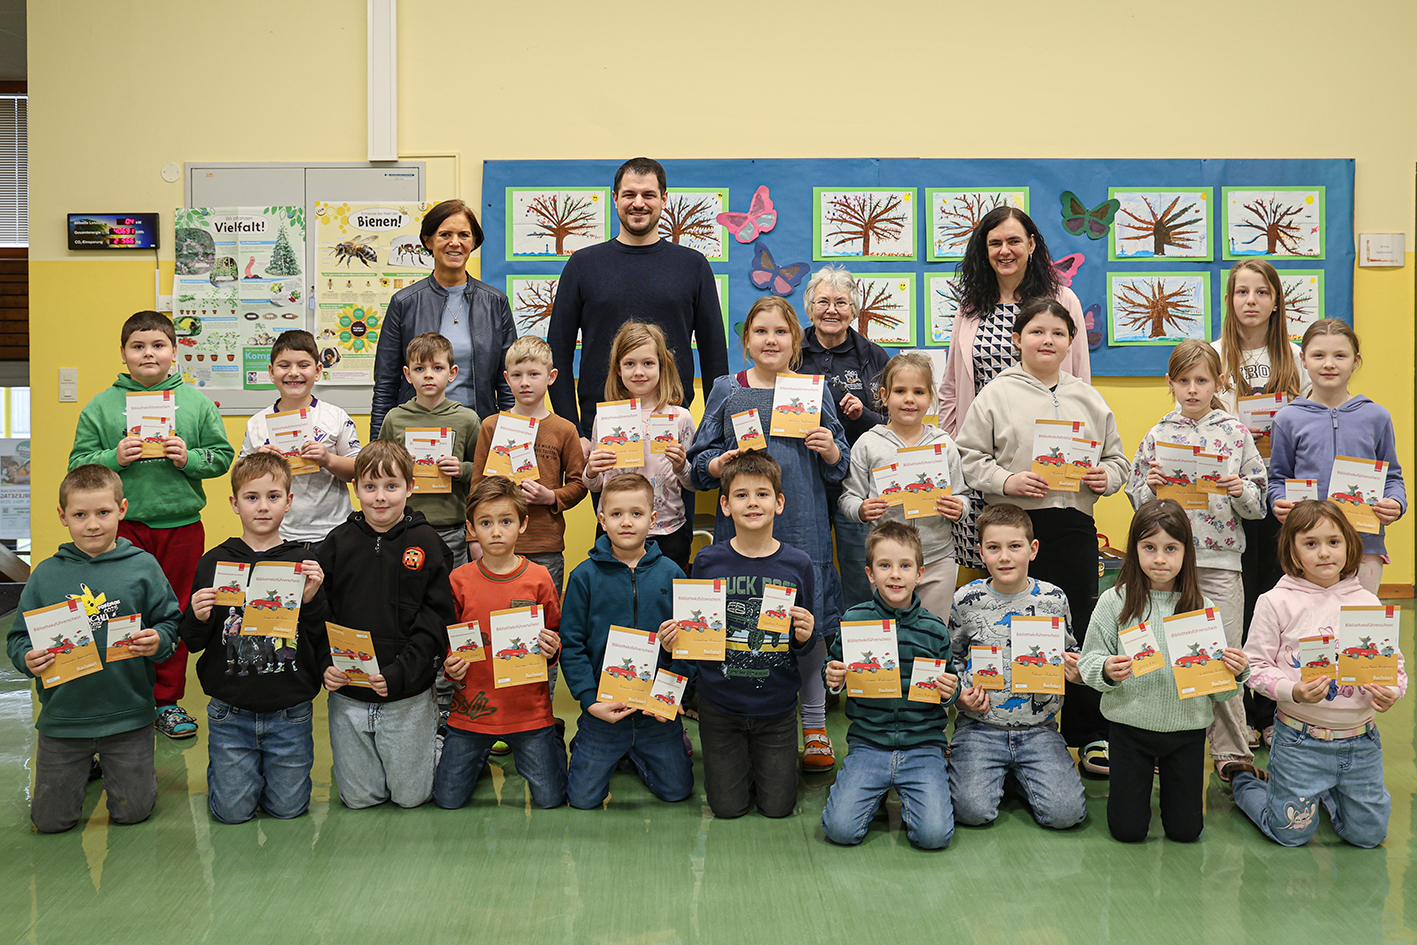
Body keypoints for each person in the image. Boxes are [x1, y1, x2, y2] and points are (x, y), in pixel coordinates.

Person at [956, 299, 1129, 775]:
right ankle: (1006, 724)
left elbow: (1118, 462)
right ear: (1017, 340)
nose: (1046, 340)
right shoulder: (995, 395)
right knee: (1008, 623)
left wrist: (1105, 478)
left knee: (1077, 627)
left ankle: (1087, 732)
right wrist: (1007, 481)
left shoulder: (1088, 398)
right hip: (1013, 525)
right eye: (1036, 331)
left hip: (1073, 525)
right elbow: (968, 457)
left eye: (1057, 332)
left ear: (1070, 342)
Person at [687, 296, 849, 771]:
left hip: (802, 525)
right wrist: (717, 463)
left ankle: (815, 724)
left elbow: (840, 466)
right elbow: (699, 464)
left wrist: (830, 451)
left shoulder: (813, 391)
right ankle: (739, 707)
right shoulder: (726, 389)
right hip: (742, 530)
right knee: (743, 616)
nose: (771, 340)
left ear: (795, 339)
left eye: (781, 332)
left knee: (806, 621)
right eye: (761, 332)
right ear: (747, 341)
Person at [68, 310, 234, 740]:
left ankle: (166, 701)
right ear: (123, 354)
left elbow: (221, 456)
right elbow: (76, 466)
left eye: (158, 345)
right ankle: (120, 698)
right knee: (115, 611)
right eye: (138, 346)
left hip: (180, 528)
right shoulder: (101, 406)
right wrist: (113, 457)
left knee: (173, 612)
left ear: (174, 352)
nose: (148, 353)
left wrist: (190, 458)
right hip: (120, 530)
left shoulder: (195, 403)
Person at [6, 465, 180, 833]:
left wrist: (158, 640)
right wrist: (27, 658)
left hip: (129, 715)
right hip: (64, 718)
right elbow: (18, 637)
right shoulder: (45, 574)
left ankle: (120, 774)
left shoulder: (143, 567)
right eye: (80, 515)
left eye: (103, 513)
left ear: (122, 509)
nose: (93, 525)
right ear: (62, 516)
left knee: (133, 813)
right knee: (51, 822)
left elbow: (170, 622)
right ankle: (85, 771)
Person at [1125, 340, 1266, 782]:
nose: (1191, 389)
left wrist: (1240, 489)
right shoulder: (1157, 434)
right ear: (1170, 384)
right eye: (1183, 381)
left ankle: (1231, 751)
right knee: (1163, 654)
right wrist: (1149, 486)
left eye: (1201, 380)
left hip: (1220, 561)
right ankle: (1154, 737)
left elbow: (1259, 505)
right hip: (1166, 566)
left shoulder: (1236, 434)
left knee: (1222, 657)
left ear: (1218, 382)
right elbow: (1137, 500)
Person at [1234, 500, 1406, 847]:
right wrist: (1292, 691)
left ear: (1349, 545)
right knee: (1290, 835)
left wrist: (1392, 691)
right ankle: (1246, 783)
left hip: (1361, 742)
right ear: (1294, 552)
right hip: (1300, 742)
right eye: (1311, 544)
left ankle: (1326, 794)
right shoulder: (1275, 601)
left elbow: (1394, 666)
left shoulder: (1368, 603)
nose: (1324, 553)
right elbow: (1255, 667)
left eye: (1334, 542)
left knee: (1369, 837)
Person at [1079, 500, 1252, 843]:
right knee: (1127, 831)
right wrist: (1106, 669)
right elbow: (1088, 661)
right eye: (1149, 548)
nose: (1160, 559)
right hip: (1129, 729)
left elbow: (1220, 688)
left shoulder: (1202, 608)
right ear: (1135, 549)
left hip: (1187, 732)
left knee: (1186, 831)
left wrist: (1237, 673)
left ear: (1186, 552)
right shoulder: (1114, 601)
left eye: (1171, 548)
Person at [935, 207, 1092, 576]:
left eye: (1014, 241)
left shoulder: (1063, 301)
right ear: (983, 250)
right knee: (994, 568)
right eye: (995, 243)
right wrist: (953, 454)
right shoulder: (971, 308)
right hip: (983, 460)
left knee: (1048, 568)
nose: (1005, 251)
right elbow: (952, 387)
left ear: (1032, 245)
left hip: (1045, 460)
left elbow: (1081, 383)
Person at [180, 453, 330, 824]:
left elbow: (319, 632)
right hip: (231, 710)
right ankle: (230, 779)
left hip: (290, 711)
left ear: (289, 501)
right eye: (251, 497)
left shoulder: (303, 562)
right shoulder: (214, 562)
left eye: (273, 497)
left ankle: (258, 780)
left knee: (289, 810)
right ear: (234, 503)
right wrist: (197, 615)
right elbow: (194, 640)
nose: (263, 507)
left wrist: (311, 598)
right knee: (232, 814)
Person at [665, 452, 816, 818]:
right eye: (741, 495)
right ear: (725, 505)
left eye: (762, 494)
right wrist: (676, 641)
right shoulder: (706, 562)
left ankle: (762, 764)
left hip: (776, 707)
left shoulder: (799, 564)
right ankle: (742, 765)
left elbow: (803, 643)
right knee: (727, 809)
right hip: (721, 707)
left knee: (778, 808)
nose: (752, 503)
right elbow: (695, 633)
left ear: (779, 503)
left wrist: (805, 634)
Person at [547, 157, 728, 453]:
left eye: (648, 195)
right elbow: (557, 353)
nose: (638, 203)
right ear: (615, 198)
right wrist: (573, 430)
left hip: (672, 426)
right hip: (602, 427)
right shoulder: (583, 265)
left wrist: (712, 432)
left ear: (664, 200)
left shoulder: (693, 266)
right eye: (630, 194)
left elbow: (714, 357)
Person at [318, 440, 456, 809]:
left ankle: (442, 739)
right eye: (370, 486)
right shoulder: (335, 544)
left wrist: (400, 673)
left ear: (410, 488)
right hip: (349, 693)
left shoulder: (428, 544)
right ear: (356, 488)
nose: (381, 497)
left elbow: (437, 621)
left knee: (412, 798)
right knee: (361, 799)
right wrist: (324, 665)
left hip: (406, 695)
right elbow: (319, 615)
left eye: (391, 486)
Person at [1214, 259, 1312, 751]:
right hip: (1227, 503)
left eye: (1260, 292)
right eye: (1241, 293)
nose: (1250, 301)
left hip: (1286, 502)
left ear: (1276, 301)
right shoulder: (1214, 357)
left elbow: (1313, 427)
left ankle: (1273, 710)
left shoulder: (1297, 360)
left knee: (1281, 603)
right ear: (1229, 301)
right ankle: (1236, 714)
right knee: (1242, 604)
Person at [947, 504, 1087, 830]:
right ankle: (997, 773)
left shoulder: (1054, 599)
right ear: (980, 552)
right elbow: (950, 660)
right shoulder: (966, 599)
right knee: (972, 813)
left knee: (1066, 815)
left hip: (1039, 729)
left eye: (1015, 546)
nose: (1005, 557)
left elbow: (1071, 651)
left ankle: (1013, 775)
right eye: (994, 548)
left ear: (1032, 549)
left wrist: (1077, 670)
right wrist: (960, 696)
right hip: (980, 728)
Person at [821, 521, 958, 849]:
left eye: (905, 566)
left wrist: (949, 691)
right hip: (869, 743)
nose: (895, 575)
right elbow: (834, 676)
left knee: (934, 837)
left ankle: (910, 792)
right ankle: (876, 790)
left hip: (922, 746)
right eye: (885, 566)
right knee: (839, 831)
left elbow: (948, 690)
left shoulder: (935, 629)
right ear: (870, 574)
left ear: (919, 574)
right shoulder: (854, 621)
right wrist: (833, 680)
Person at [560, 473, 693, 810]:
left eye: (636, 514)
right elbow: (571, 645)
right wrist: (590, 701)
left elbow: (689, 646)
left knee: (677, 791)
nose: (626, 523)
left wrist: (671, 693)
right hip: (603, 710)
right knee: (582, 800)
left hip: (655, 712)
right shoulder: (583, 577)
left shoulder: (673, 574)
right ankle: (599, 745)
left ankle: (634, 755)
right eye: (616, 514)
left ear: (653, 519)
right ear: (602, 520)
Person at [434, 476, 565, 810]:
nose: (495, 532)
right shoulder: (458, 580)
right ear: (470, 528)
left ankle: (553, 739)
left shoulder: (538, 577)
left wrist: (552, 650)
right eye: (485, 523)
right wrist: (450, 665)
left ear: (522, 524)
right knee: (447, 799)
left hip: (528, 713)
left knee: (551, 800)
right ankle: (474, 761)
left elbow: (554, 632)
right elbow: (448, 639)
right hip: (471, 712)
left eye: (505, 522)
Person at [1270, 319, 1404, 596]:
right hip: (1307, 547)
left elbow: (1392, 476)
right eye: (1318, 355)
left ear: (1356, 361)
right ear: (1303, 360)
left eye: (1339, 355)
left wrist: (1396, 502)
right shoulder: (1287, 419)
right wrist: (1277, 500)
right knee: (1310, 629)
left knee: (1357, 624)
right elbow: (1278, 478)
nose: (1329, 364)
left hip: (1365, 545)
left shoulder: (1376, 416)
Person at [371, 199, 516, 439]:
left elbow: (508, 381)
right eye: (445, 234)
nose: (455, 243)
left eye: (464, 235)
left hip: (479, 432)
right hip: (416, 432)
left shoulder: (495, 302)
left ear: (474, 242)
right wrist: (376, 447)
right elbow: (386, 384)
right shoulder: (404, 303)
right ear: (428, 241)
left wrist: (512, 437)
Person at [839, 351, 967, 617]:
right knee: (893, 639)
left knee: (932, 637)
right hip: (888, 563)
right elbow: (847, 497)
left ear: (931, 397)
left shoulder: (943, 445)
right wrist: (861, 509)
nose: (909, 399)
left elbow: (962, 495)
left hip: (937, 559)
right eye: (900, 391)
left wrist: (959, 508)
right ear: (884, 395)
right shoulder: (868, 443)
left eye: (919, 392)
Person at [798, 265, 892, 609]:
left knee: (858, 570)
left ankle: (864, 640)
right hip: (805, 480)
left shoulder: (871, 356)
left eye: (841, 302)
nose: (831, 310)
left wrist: (862, 415)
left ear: (853, 309)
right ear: (809, 309)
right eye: (823, 302)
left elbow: (892, 421)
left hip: (858, 482)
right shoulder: (793, 352)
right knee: (806, 566)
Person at [471, 335, 587, 596]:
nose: (525, 383)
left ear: (551, 376)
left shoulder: (564, 429)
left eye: (534, 374)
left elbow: (580, 485)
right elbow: (477, 486)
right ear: (506, 378)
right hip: (495, 543)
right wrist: (474, 539)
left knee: (543, 623)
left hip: (544, 545)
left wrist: (551, 496)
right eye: (517, 375)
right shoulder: (491, 425)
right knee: (495, 615)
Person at [581, 321, 697, 575]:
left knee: (664, 605)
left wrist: (681, 466)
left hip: (667, 531)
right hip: (616, 530)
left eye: (648, 363)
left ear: (661, 366)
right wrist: (590, 471)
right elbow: (597, 484)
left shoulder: (680, 418)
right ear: (618, 370)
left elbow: (692, 482)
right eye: (630, 364)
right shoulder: (607, 419)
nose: (639, 372)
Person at [239, 329, 361, 552]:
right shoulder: (257, 422)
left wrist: (327, 459)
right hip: (279, 534)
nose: (293, 373)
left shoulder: (335, 416)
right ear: (271, 372)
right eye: (284, 365)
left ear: (318, 371)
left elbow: (358, 471)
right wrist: (259, 463)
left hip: (334, 531)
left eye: (303, 365)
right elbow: (240, 477)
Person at [377, 331, 481, 568]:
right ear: (408, 375)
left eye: (437, 368)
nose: (428, 376)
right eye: (419, 369)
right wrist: (398, 465)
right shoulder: (395, 418)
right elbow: (378, 470)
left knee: (451, 596)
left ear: (452, 373)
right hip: (403, 526)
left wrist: (462, 469)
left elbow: (484, 473)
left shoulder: (467, 419)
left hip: (452, 528)